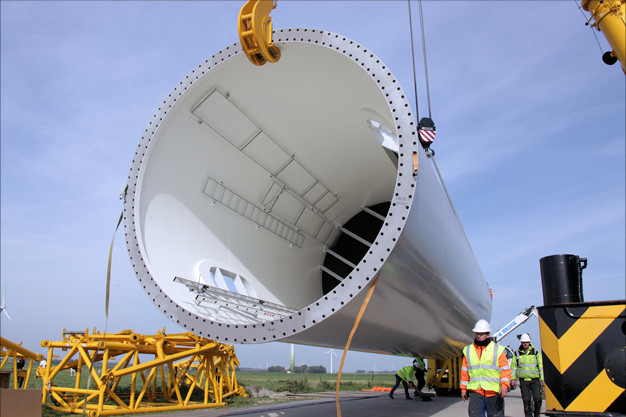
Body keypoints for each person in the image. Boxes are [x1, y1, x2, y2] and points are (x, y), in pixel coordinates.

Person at [460, 319, 511, 417]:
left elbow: (505, 370)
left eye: (482, 333)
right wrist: (463, 389)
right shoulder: (468, 350)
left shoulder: (498, 350)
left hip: (494, 393)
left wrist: (504, 386)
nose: (478, 335)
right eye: (477, 333)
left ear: (488, 335)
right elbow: (464, 372)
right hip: (476, 392)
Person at [512, 333, 544, 417]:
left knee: (538, 399)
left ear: (529, 342)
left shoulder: (535, 352)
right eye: (523, 342)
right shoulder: (517, 354)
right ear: (521, 342)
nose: (525, 344)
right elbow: (513, 367)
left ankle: (537, 414)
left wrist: (542, 379)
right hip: (523, 381)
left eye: (527, 342)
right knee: (526, 400)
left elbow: (540, 366)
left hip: (535, 380)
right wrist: (513, 379)